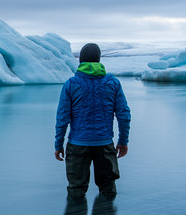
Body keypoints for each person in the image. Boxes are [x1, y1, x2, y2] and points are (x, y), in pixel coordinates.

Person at [55, 43, 131, 199]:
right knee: (108, 189)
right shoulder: (113, 83)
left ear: (80, 60)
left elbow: (63, 117)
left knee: (76, 189)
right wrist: (123, 141)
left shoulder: (71, 84)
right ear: (99, 59)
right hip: (104, 144)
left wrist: (58, 144)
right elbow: (123, 114)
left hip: (77, 144)